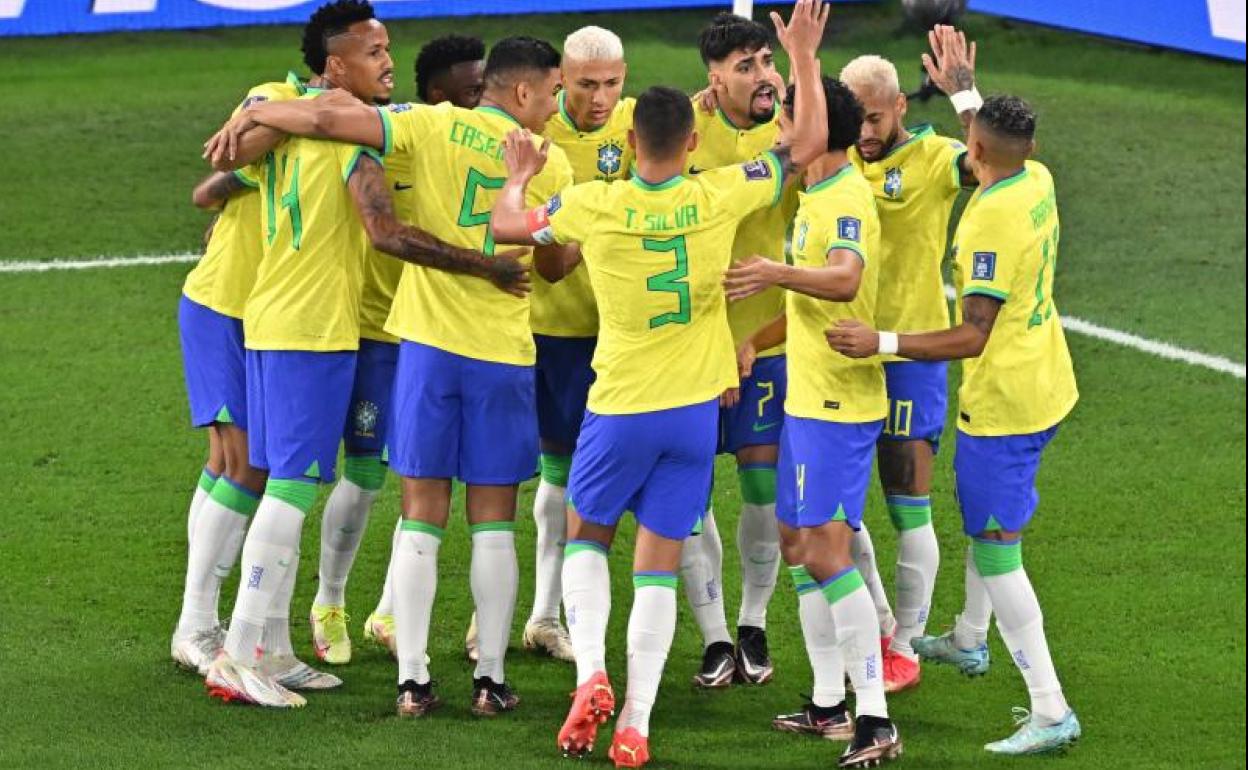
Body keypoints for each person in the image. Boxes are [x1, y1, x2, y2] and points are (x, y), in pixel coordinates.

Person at [488, 3, 827, 764]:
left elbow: (508, 228)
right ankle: (636, 721)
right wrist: (801, 55)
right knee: (658, 564)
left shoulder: (592, 205)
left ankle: (593, 672)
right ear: (694, 142)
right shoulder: (718, 194)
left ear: (630, 141)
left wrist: (517, 177)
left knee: (586, 538)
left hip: (618, 407)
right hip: (692, 415)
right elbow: (805, 145)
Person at [209, 34, 576, 717]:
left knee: (420, 515)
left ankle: (412, 680)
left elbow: (323, 118)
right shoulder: (551, 163)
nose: (556, 105)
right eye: (554, 91)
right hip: (501, 354)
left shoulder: (429, 124)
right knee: (494, 521)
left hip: (426, 351)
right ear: (523, 92)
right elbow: (556, 266)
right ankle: (490, 680)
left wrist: (257, 114)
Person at [827, 94, 1082, 756]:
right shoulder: (1038, 177)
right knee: (988, 518)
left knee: (997, 547)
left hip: (1004, 401)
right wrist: (966, 88)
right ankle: (970, 637)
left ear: (978, 152)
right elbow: (990, 139)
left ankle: (1051, 708)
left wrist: (880, 342)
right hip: (1049, 379)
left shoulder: (987, 222)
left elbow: (972, 334)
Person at [724, 75, 903, 768]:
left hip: (837, 408)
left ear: (815, 130)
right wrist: (757, 340)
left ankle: (876, 716)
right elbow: (810, 305)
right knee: (799, 545)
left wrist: (772, 269)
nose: (776, 127)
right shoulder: (816, 192)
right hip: (807, 399)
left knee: (826, 554)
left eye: (787, 117)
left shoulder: (847, 197)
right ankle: (829, 702)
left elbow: (844, 278)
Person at [822, 26, 982, 693]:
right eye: (855, 116)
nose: (864, 130)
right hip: (839, 353)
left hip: (910, 356)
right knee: (834, 507)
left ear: (901, 110)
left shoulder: (932, 158)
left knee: (907, 502)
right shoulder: (837, 157)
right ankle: (885, 620)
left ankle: (907, 647)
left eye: (876, 117)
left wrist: (965, 93)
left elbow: (991, 160)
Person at [171, 48, 325, 687]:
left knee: (232, 466)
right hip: (223, 308)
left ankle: (251, 637)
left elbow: (212, 189)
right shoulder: (272, 99)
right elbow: (216, 173)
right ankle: (197, 626)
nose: (385, 62)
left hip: (263, 316)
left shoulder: (323, 122)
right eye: (372, 52)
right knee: (246, 465)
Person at [346, 32, 488, 660]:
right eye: (472, 92)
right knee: (371, 477)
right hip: (381, 336)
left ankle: (385, 612)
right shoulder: (400, 142)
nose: (486, 102)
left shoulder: (481, 150)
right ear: (436, 99)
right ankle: (330, 600)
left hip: (440, 336)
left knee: (434, 483)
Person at [512, 24, 636, 664]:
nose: (601, 97)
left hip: (612, 336)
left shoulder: (640, 124)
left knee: (574, 478)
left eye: (613, 83)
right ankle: (501, 613)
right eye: (588, 84)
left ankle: (543, 614)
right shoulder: (536, 133)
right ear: (560, 79)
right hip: (541, 329)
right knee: (499, 476)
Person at [682, 10, 797, 687]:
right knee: (688, 499)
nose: (762, 76)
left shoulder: (792, 140)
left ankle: (752, 622)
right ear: (714, 78)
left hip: (768, 343)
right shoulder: (688, 136)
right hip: (692, 349)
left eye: (766, 63)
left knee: (761, 493)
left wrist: (751, 340)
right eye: (746, 66)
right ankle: (715, 635)